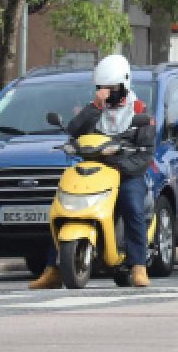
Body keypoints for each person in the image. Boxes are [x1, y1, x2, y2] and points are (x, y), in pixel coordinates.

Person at [29, 54, 156, 289]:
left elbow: (146, 154)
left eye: (111, 88)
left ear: (125, 84)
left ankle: (138, 265)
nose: (106, 93)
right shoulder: (93, 108)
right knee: (63, 206)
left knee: (132, 207)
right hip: (93, 169)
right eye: (101, 88)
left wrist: (119, 164)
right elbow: (74, 131)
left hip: (126, 172)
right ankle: (53, 269)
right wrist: (95, 106)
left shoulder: (140, 112)